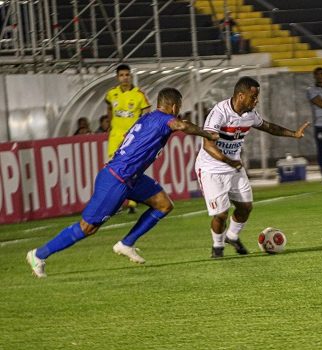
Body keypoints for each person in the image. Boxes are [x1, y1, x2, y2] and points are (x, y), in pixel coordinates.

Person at [26, 88, 218, 278]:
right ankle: (38, 255)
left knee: (163, 204)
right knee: (87, 227)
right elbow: (182, 126)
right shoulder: (162, 119)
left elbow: (178, 125)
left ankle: (126, 244)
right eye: (179, 107)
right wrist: (209, 135)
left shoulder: (148, 118)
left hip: (132, 177)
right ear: (174, 106)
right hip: (116, 179)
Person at [195, 76, 310, 258]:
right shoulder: (219, 113)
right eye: (253, 97)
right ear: (241, 96)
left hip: (234, 167)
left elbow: (268, 127)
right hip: (212, 169)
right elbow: (208, 145)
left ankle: (232, 236)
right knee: (221, 214)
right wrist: (229, 161)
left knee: (246, 207)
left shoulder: (250, 115)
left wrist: (293, 134)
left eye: (257, 97)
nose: (256, 101)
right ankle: (217, 247)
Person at [105, 63, 151, 214]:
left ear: (131, 76)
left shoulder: (139, 95)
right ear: (117, 77)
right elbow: (109, 108)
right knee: (113, 170)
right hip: (115, 137)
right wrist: (110, 125)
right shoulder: (112, 93)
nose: (124, 78)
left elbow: (147, 113)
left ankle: (131, 201)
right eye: (121, 75)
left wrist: (144, 132)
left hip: (132, 138)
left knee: (131, 169)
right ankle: (116, 202)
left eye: (127, 75)